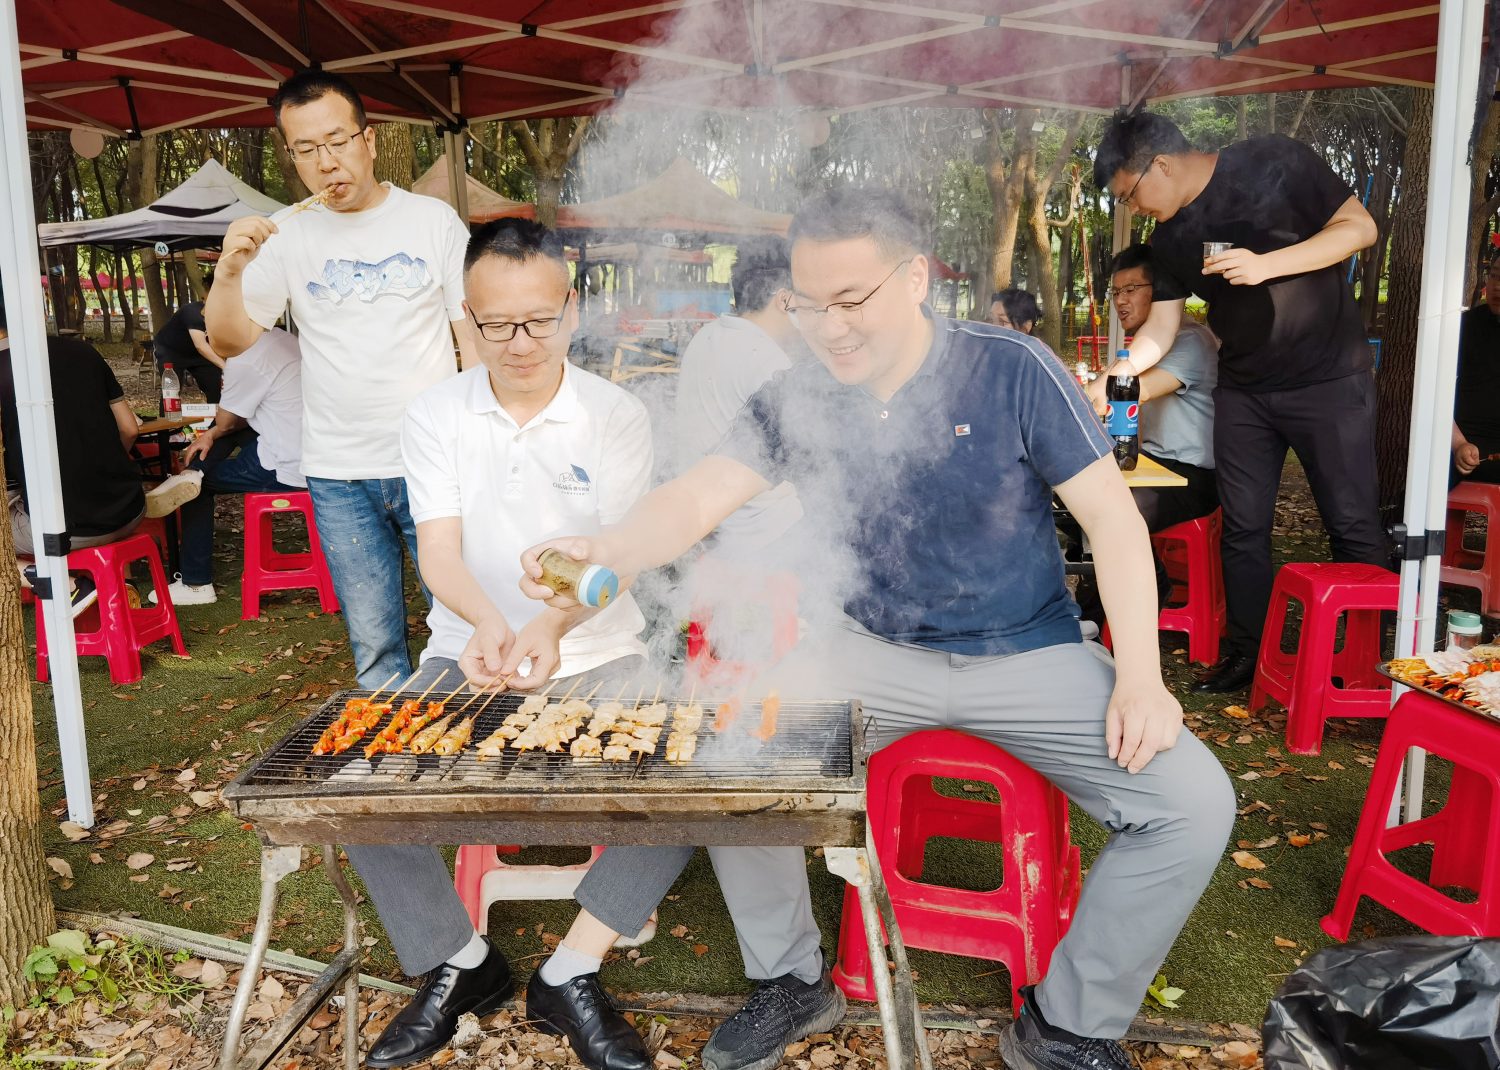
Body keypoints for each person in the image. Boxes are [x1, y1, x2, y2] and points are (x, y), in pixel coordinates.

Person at [520, 190, 1235, 1070]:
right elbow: (698, 495)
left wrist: (1142, 678)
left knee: (1194, 807)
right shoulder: (804, 391)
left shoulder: (1011, 367)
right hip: (866, 651)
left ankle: (1066, 1027)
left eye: (850, 301)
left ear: (916, 278)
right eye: (808, 304)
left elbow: (1115, 524)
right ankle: (791, 979)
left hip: (1031, 650)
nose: (829, 328)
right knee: (729, 745)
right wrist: (606, 545)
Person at [341, 219, 656, 1070]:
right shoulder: (437, 413)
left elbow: (617, 564)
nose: (521, 343)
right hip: (464, 648)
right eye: (496, 325)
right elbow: (438, 550)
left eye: (541, 320)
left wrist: (551, 628)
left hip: (600, 652)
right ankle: (461, 960)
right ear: (466, 320)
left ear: (573, 308)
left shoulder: (616, 414)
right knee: (356, 779)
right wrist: (487, 623)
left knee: (695, 778)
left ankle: (576, 966)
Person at [1092, 111, 1385, 693]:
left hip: (1328, 379)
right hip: (1246, 389)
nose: (1136, 209)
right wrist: (1121, 371)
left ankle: (1369, 663)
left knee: (1351, 523)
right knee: (1244, 528)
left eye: (1132, 193)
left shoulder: (1274, 158)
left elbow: (1359, 228)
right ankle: (1248, 654)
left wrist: (1266, 265)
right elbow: (1163, 328)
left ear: (1163, 163)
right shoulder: (1169, 238)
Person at [205, 69, 477, 687]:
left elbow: (473, 340)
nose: (327, 162)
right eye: (307, 149)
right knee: (376, 642)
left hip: (433, 462)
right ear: (291, 155)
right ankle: (392, 760)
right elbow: (230, 339)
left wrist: (480, 439)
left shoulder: (432, 222)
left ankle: (466, 738)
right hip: (336, 470)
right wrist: (228, 273)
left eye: (338, 141)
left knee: (462, 621)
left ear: (369, 140)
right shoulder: (284, 235)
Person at [1075, 245, 1220, 627]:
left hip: (1191, 477)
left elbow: (1129, 393)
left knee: (1117, 512)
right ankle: (1101, 598)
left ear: (1161, 294)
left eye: (1132, 289)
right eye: (1116, 292)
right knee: (1077, 498)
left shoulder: (1191, 341)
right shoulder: (1139, 346)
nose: (1121, 301)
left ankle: (1100, 612)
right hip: (1151, 467)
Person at [0, 275, 156, 615]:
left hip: (67, 528)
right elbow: (129, 429)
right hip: (129, 509)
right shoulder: (83, 351)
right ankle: (119, 584)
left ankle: (61, 583)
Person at [148, 326, 304, 605]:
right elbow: (235, 420)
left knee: (198, 490)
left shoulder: (244, 360)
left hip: (287, 465)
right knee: (225, 432)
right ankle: (194, 472)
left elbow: (226, 421)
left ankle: (197, 584)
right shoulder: (282, 339)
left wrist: (213, 431)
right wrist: (213, 433)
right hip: (313, 455)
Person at [674, 238, 803, 555]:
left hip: (707, 520)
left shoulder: (707, 336)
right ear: (785, 300)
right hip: (764, 532)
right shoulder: (771, 363)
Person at [1451, 250, 1500, 485]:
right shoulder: (1465, 327)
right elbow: (1433, 393)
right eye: (1494, 276)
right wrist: (1458, 443)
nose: (1497, 287)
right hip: (1461, 444)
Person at [153, 293, 224, 402]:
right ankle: (168, 418)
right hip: (170, 351)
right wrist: (226, 367)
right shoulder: (193, 312)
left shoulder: (227, 316)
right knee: (171, 393)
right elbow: (200, 345)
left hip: (198, 354)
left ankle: (218, 417)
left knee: (215, 388)